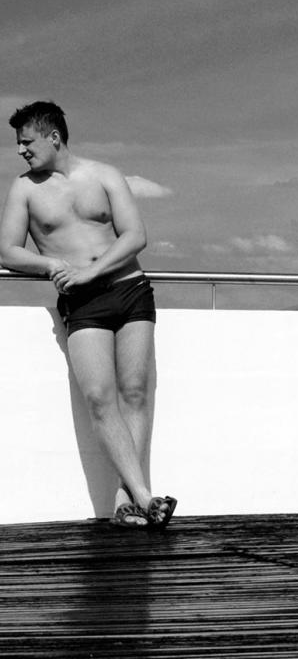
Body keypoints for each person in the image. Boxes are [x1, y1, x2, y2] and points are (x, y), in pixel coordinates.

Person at [0, 101, 175, 528]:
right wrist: (52, 266)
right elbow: (7, 250)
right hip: (82, 304)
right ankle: (146, 495)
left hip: (129, 290)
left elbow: (135, 235)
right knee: (100, 397)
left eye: (27, 141)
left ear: (53, 137)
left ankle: (126, 499)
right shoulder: (24, 189)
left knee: (134, 393)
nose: (21, 150)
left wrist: (91, 270)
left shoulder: (104, 175)